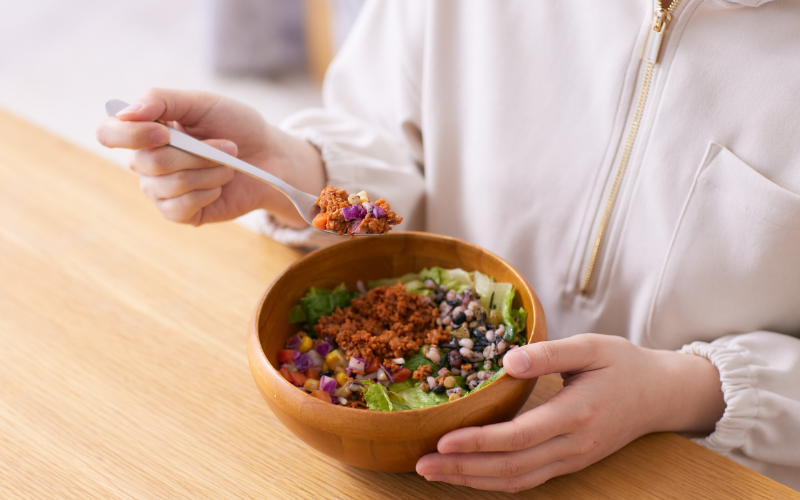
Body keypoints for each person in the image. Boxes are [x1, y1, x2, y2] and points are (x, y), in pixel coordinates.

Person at [96, 0, 800, 492]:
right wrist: (294, 168)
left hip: (693, 466)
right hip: (415, 460)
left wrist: (685, 392)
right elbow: (391, 147)